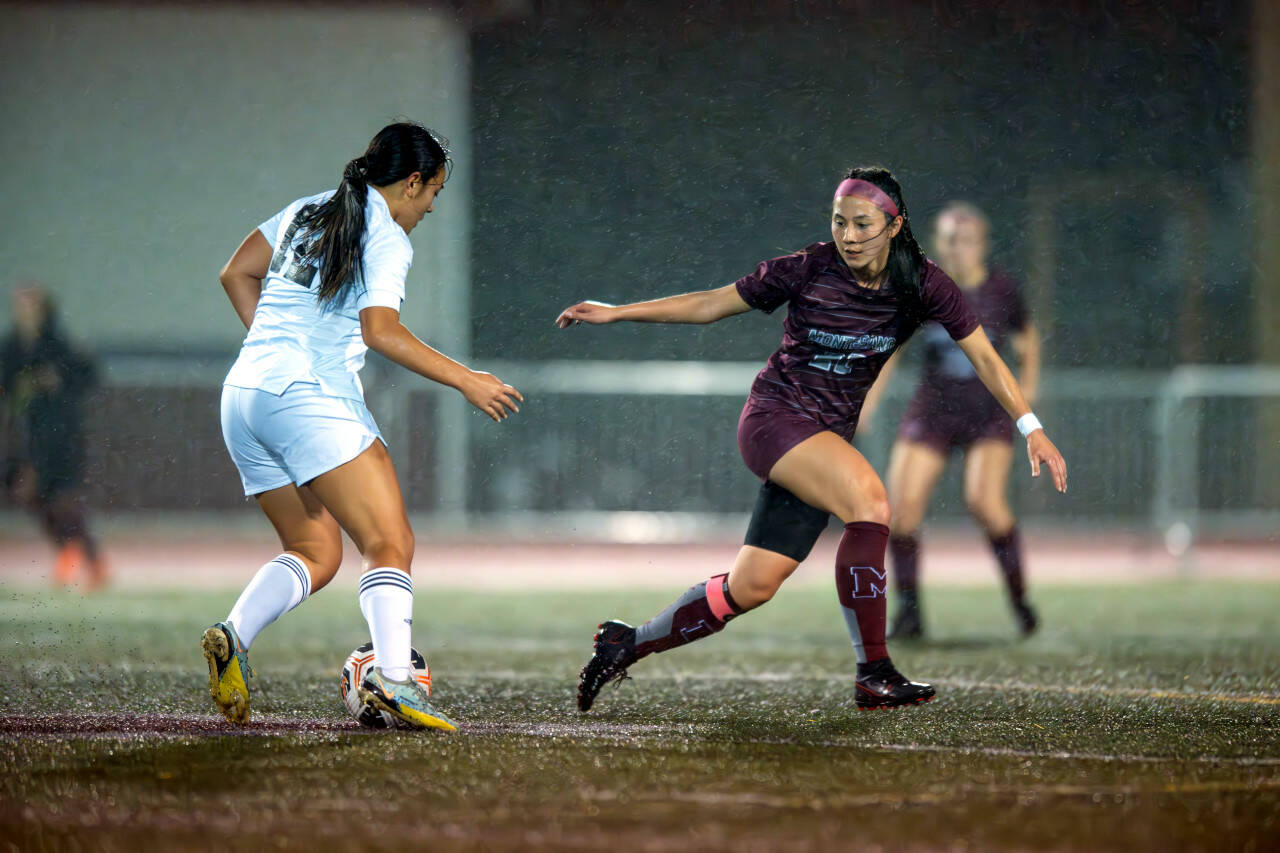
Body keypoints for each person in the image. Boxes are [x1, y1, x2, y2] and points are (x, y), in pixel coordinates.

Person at [558, 168, 1066, 713]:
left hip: (821, 440)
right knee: (871, 502)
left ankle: (625, 643)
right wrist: (618, 312)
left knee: (749, 588)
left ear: (895, 226)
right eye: (839, 222)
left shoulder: (923, 282)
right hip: (774, 419)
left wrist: (1031, 427)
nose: (848, 235)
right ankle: (874, 671)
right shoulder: (807, 267)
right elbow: (710, 304)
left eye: (862, 224)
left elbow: (987, 356)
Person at [205, 122, 522, 729]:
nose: (431, 206)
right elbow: (381, 331)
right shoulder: (386, 235)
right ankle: (397, 683)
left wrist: (273, 352)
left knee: (315, 551)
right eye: (433, 191)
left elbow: (235, 273)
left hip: (244, 394)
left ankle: (233, 637)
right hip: (303, 394)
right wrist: (466, 378)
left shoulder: (308, 209)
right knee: (390, 544)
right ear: (411, 182)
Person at [865, 202, 1041, 639]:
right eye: (945, 239)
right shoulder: (920, 288)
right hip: (933, 410)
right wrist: (864, 403)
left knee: (984, 503)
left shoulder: (1002, 289)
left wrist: (1027, 399)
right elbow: (891, 351)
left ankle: (1020, 601)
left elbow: (1028, 341)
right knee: (899, 512)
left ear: (981, 245)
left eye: (962, 240)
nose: (953, 248)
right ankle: (909, 614)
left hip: (987, 414)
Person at [1, 286, 109, 590]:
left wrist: (59, 381)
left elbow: (89, 375)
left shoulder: (57, 344)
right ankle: (68, 548)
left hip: (61, 432)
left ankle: (91, 560)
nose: (24, 311)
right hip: (27, 433)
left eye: (31, 305)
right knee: (32, 494)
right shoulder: (12, 347)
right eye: (20, 305)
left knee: (63, 499)